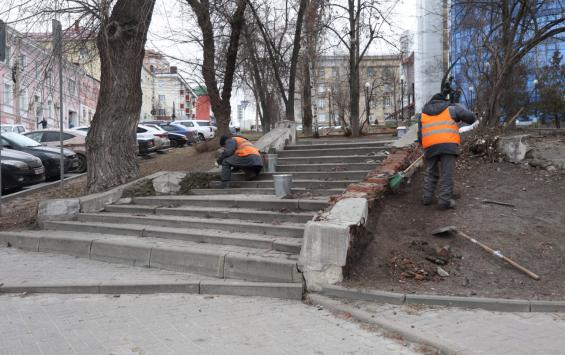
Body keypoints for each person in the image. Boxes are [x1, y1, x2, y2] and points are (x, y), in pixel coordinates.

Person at [418, 93, 476, 209]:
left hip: (430, 145)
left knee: (431, 172)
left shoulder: (423, 114)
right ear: (444, 101)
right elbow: (471, 118)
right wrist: (458, 109)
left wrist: (426, 145)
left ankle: (427, 197)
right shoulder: (451, 108)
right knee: (446, 173)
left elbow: (420, 135)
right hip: (448, 145)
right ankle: (444, 200)